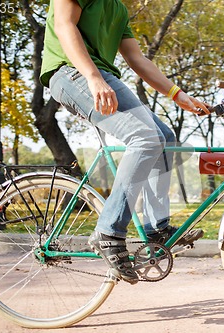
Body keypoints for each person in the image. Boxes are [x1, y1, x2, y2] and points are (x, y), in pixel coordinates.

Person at [40, 0, 209, 285]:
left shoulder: (118, 8)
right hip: (70, 71)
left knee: (164, 139)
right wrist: (92, 77)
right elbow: (64, 24)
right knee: (144, 138)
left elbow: (137, 59)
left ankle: (156, 228)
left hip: (103, 75)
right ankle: (109, 232)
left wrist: (179, 95)